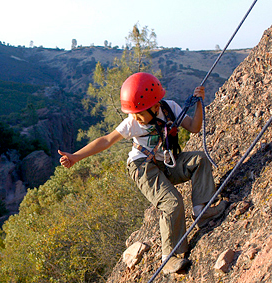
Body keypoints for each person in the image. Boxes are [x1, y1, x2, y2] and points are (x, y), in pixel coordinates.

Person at [58, 72, 227, 275]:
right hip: (142, 167)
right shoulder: (133, 122)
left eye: (139, 113)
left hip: (165, 161)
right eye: (134, 113)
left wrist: (199, 102)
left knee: (199, 160)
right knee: (172, 202)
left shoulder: (170, 108)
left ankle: (201, 210)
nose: (135, 117)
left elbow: (194, 127)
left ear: (156, 106)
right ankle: (169, 257)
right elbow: (105, 140)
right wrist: (76, 156)